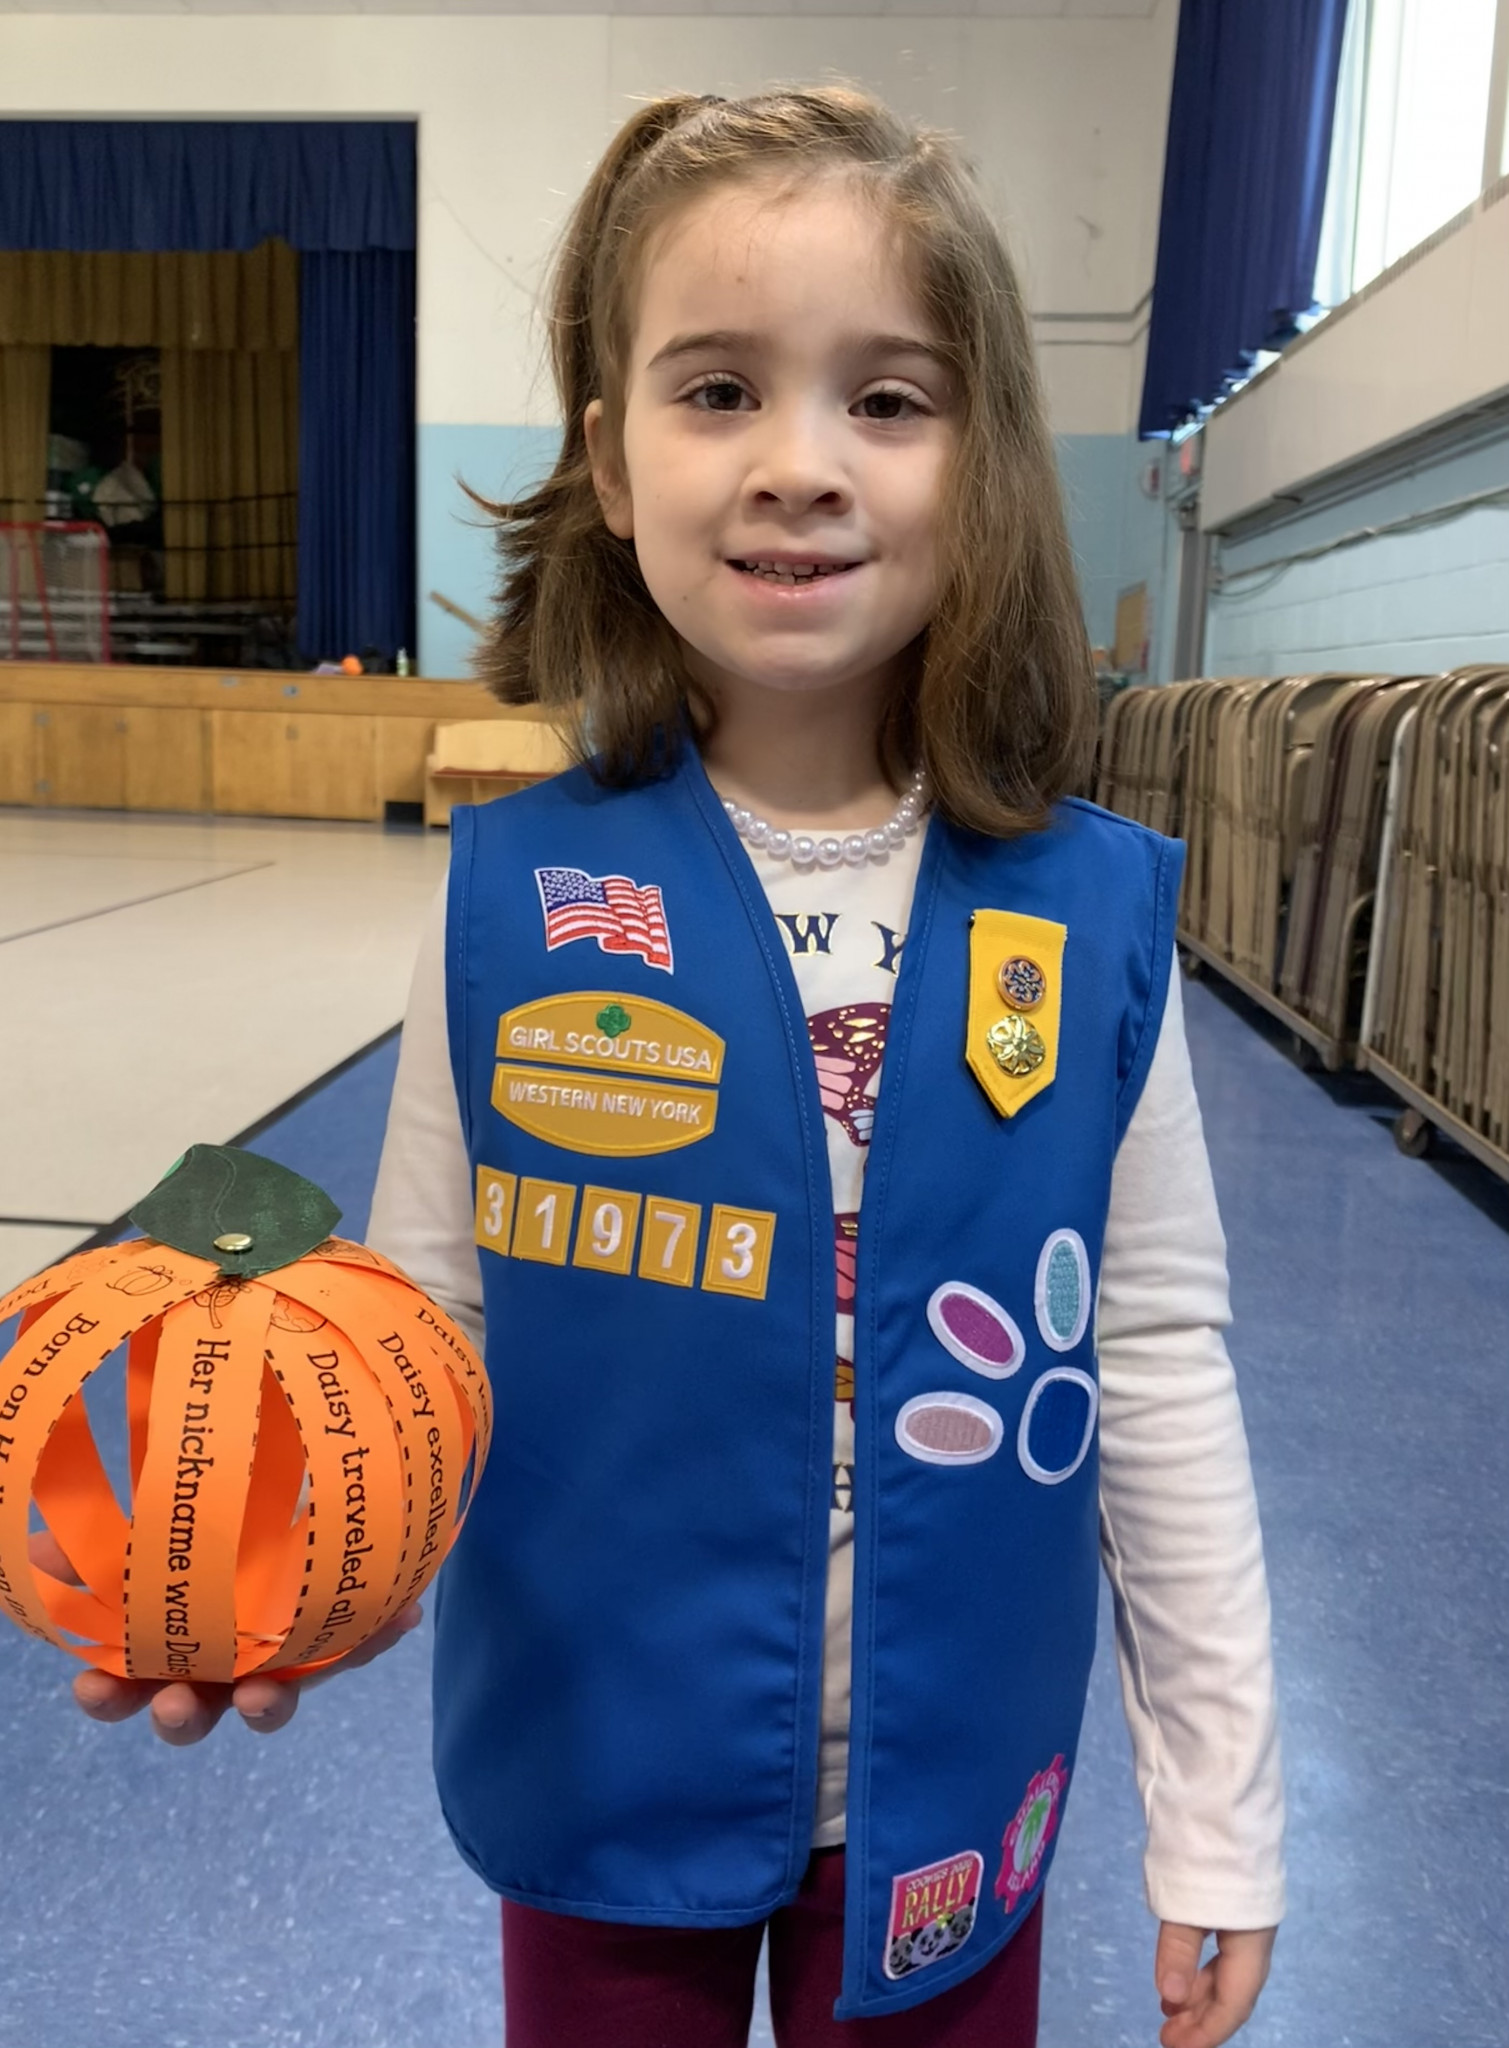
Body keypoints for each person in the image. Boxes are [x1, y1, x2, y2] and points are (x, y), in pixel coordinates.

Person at [54, 86, 1283, 2048]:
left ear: (980, 463)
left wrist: (1217, 1815)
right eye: (717, 390)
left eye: (887, 399)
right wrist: (264, 1572)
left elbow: (1147, 1361)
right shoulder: (513, 897)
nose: (799, 464)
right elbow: (416, 1329)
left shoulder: (1088, 918)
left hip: (956, 1786)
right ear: (607, 464)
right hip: (603, 1756)